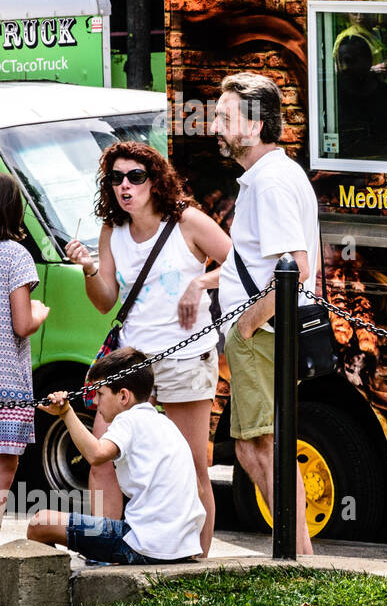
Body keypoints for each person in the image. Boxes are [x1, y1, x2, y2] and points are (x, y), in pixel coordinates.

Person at [65, 141, 231, 557]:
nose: (125, 185)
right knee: (102, 460)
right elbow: (105, 300)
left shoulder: (187, 222)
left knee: (192, 465)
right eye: (116, 178)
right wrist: (88, 269)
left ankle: (197, 559)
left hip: (186, 358)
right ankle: (105, 552)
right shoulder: (112, 231)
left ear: (155, 181)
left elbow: (239, 263)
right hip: (132, 366)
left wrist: (200, 284)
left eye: (135, 176)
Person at [213, 72, 318, 555]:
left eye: (224, 116)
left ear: (253, 127)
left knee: (261, 447)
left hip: (263, 331)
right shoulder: (275, 174)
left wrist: (246, 323)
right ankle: (296, 554)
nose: (213, 124)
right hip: (265, 329)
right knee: (262, 445)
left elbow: (294, 266)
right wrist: (210, 282)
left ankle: (294, 556)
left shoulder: (271, 181)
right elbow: (261, 260)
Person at [27, 349, 205, 565]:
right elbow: (199, 488)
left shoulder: (128, 420)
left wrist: (66, 413)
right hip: (183, 548)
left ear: (123, 396)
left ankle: (56, 588)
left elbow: (97, 454)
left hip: (141, 545)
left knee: (39, 523)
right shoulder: (166, 424)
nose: (96, 402)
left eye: (100, 394)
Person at [0, 173, 49, 522]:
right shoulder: (15, 255)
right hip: (7, 385)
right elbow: (21, 323)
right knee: (4, 466)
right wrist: (39, 313)